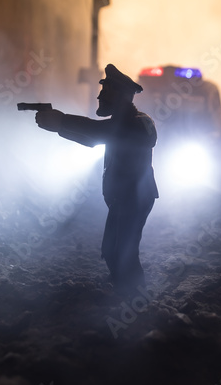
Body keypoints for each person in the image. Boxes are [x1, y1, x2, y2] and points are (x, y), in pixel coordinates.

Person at [36, 64, 158, 291]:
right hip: (123, 198)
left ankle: (134, 299)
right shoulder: (126, 123)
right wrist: (59, 127)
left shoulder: (138, 123)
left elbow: (97, 132)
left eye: (106, 91)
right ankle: (122, 289)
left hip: (134, 198)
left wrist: (61, 122)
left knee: (124, 252)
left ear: (120, 96)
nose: (100, 96)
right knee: (111, 249)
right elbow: (93, 138)